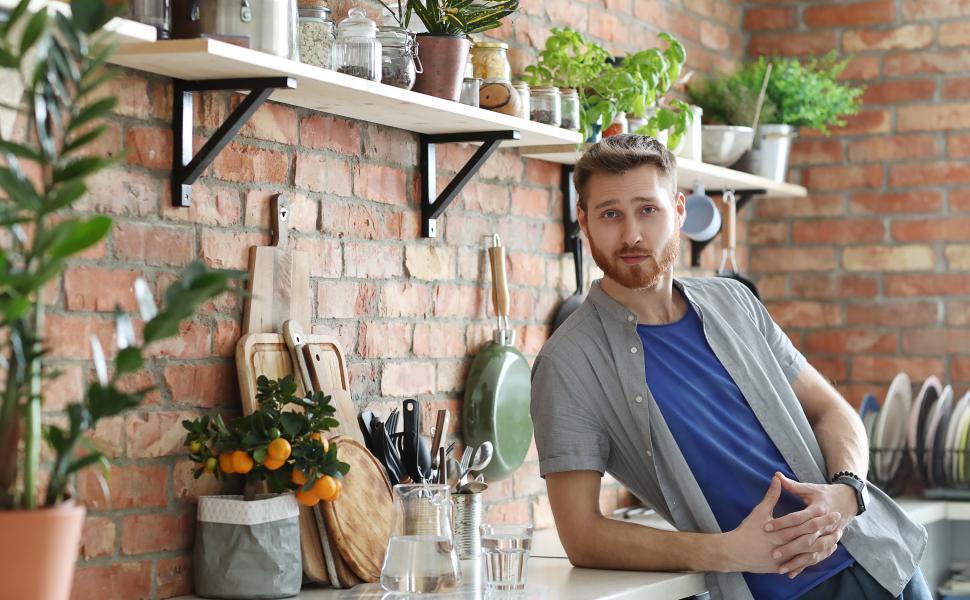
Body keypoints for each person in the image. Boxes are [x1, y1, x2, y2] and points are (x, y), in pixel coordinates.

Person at [530, 135, 930, 600]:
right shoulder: (568, 362)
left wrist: (847, 492)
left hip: (882, 563)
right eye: (610, 214)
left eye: (648, 210)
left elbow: (831, 410)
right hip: (771, 592)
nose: (632, 235)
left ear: (678, 210)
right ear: (584, 221)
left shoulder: (734, 301)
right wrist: (729, 552)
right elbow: (582, 535)